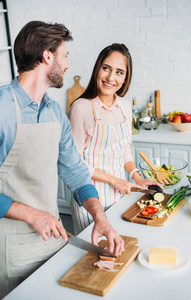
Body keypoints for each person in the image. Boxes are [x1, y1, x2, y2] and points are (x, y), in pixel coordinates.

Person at [0, 21, 124, 299]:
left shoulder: (55, 112)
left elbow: (77, 174)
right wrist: (31, 214)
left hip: (52, 243)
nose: (67, 65)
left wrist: (100, 218)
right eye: (64, 55)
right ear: (47, 56)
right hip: (9, 250)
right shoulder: (2, 109)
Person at [68, 43, 162, 234]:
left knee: (119, 248)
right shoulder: (81, 108)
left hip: (120, 192)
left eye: (119, 72)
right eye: (106, 68)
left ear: (126, 77)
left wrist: (137, 177)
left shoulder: (125, 107)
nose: (111, 77)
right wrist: (114, 180)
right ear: (98, 69)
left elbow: (124, 150)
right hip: (89, 196)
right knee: (94, 255)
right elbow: (74, 164)